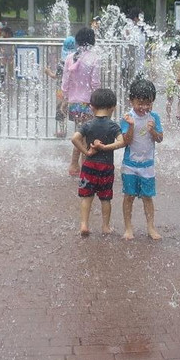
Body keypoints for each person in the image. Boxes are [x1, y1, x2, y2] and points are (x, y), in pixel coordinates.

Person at [71, 88, 125, 236]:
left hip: (89, 166)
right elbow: (122, 142)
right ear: (113, 108)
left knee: (86, 197)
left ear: (92, 107)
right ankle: (105, 226)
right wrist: (106, 147)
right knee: (105, 198)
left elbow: (74, 138)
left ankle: (83, 225)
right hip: (106, 167)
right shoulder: (113, 126)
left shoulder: (88, 125)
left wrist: (86, 152)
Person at [120, 79, 164, 240]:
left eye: (148, 103)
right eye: (140, 103)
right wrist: (131, 126)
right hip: (130, 165)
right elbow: (125, 141)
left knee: (147, 197)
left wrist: (153, 132)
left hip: (147, 165)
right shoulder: (127, 118)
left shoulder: (154, 117)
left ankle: (151, 227)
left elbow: (160, 139)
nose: (144, 107)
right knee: (129, 196)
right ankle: (128, 227)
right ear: (131, 101)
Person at [62, 27, 101, 176]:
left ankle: (75, 165)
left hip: (74, 102)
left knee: (79, 133)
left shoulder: (70, 57)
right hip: (89, 103)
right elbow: (95, 83)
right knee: (86, 136)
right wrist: (98, 102)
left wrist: (65, 98)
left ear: (77, 41)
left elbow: (65, 82)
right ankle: (81, 165)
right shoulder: (94, 58)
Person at [164, 43, 180, 122]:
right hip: (179, 80)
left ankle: (168, 116)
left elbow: (166, 70)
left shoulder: (168, 58)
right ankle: (178, 113)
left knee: (169, 100)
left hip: (170, 81)